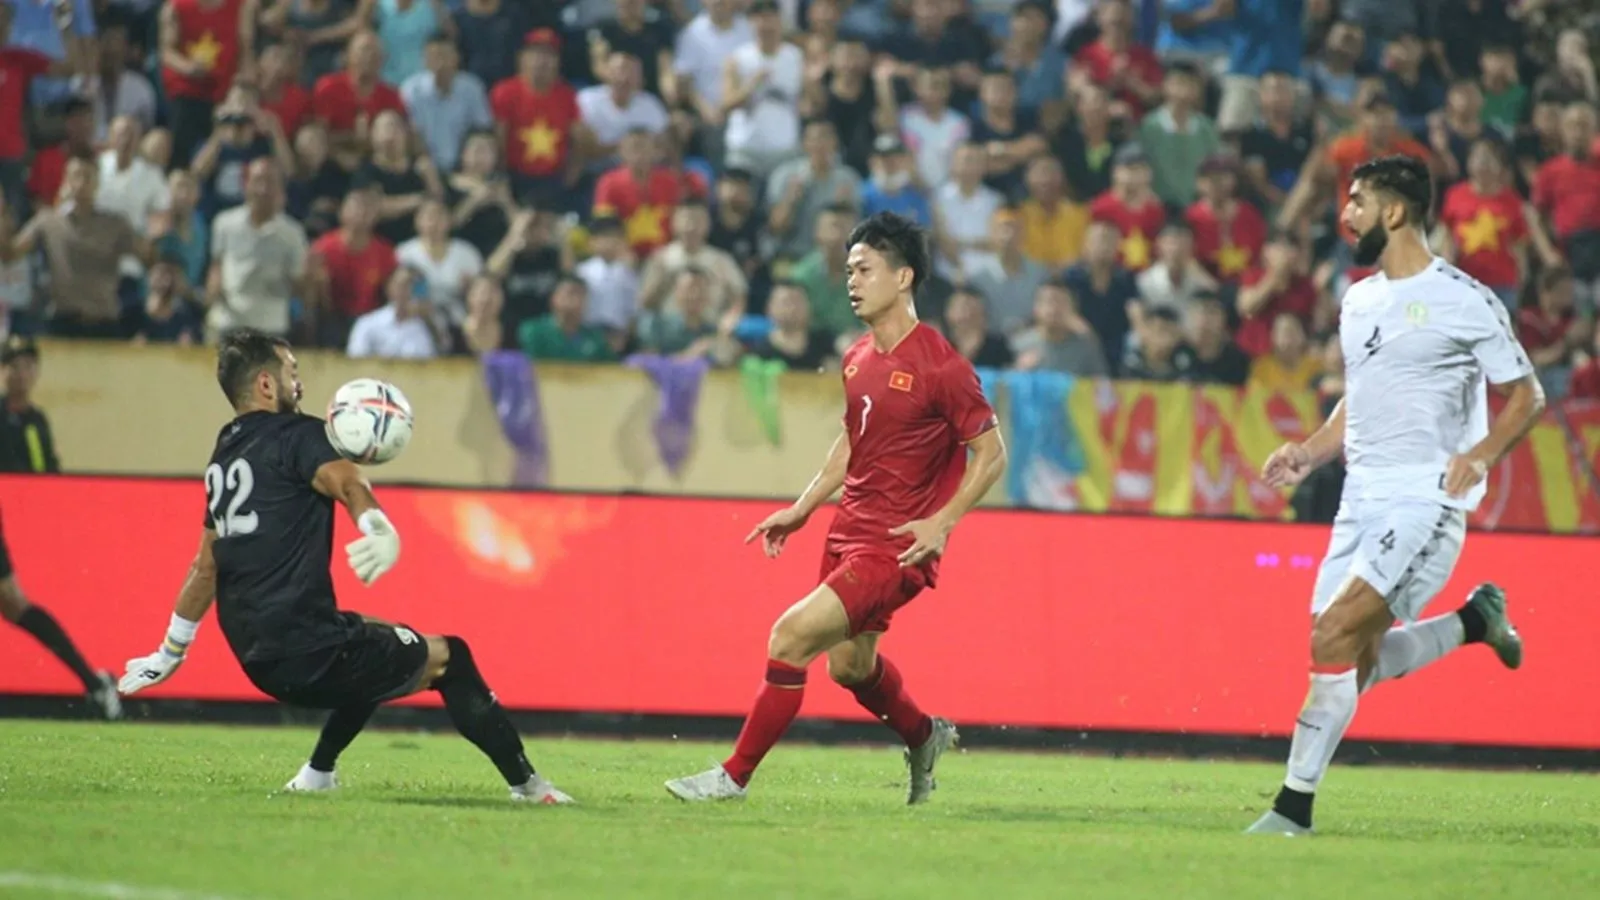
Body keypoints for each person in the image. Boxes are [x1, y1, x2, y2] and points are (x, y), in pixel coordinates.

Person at [116, 331, 573, 804]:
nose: (301, 385)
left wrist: (170, 652)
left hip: (257, 655)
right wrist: (378, 528)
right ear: (267, 385)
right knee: (450, 658)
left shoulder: (226, 451)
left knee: (375, 641)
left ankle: (317, 774)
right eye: (293, 373)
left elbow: (205, 565)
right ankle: (531, 788)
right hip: (307, 649)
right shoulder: (301, 435)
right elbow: (348, 482)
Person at [1246, 156, 1545, 836]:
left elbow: (1527, 394)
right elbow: (1364, 398)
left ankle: (1291, 811)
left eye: (1356, 202)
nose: (1344, 214)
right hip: (1361, 498)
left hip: (1424, 500)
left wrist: (1481, 455)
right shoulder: (1359, 301)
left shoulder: (1464, 298)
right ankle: (1474, 622)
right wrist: (1310, 450)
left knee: (1333, 634)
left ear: (1395, 211)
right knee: (1355, 659)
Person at [665, 212, 1007, 804]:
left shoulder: (941, 365)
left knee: (789, 637)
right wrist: (803, 507)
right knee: (849, 668)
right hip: (848, 531)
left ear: (902, 277)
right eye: (849, 270)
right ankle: (925, 735)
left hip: (896, 544)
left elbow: (991, 453)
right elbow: (853, 439)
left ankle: (732, 777)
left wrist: (942, 522)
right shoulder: (857, 357)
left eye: (864, 269)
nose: (852, 281)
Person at [0, 336, 121, 719]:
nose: (19, 373)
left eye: (26, 365)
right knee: (14, 604)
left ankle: (92, 681)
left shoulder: (35, 422)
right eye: (12, 365)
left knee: (14, 604)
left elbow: (43, 475)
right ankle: (92, 681)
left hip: (16, 519)